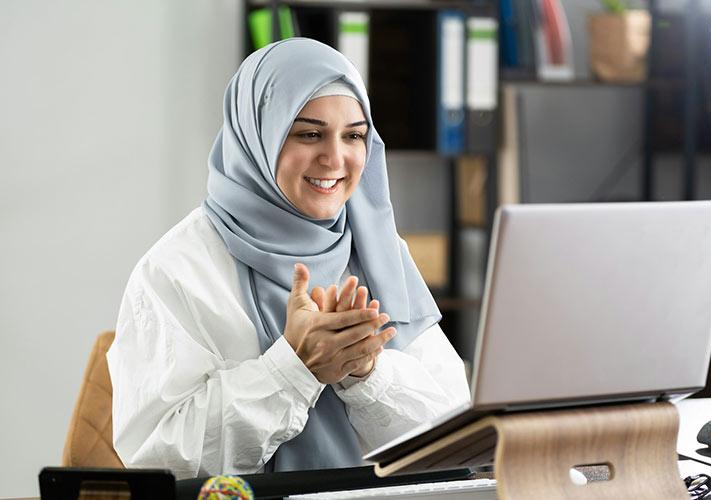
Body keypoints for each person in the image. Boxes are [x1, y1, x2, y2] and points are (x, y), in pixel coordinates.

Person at [107, 37, 470, 480]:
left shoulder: (380, 250)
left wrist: (365, 372)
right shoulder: (176, 269)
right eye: (309, 133)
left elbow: (456, 435)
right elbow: (158, 460)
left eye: (353, 135)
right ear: (256, 135)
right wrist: (295, 369)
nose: (335, 158)